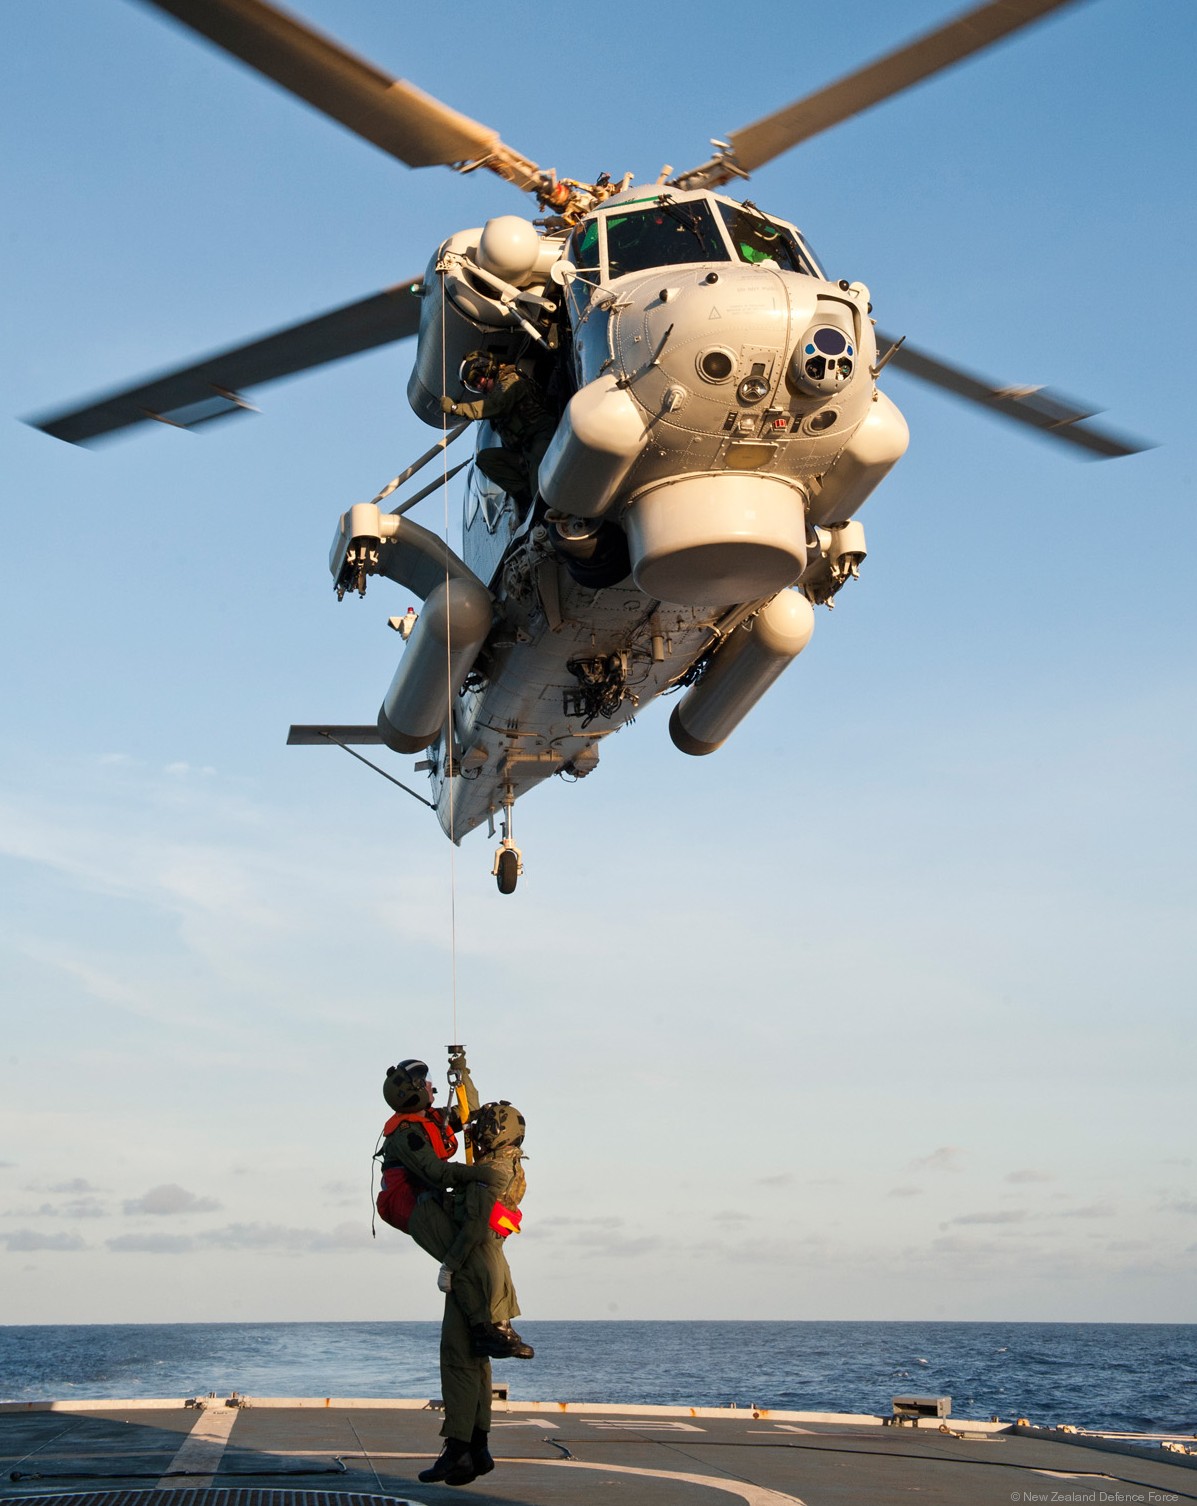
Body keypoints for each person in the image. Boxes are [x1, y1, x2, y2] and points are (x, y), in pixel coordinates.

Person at [374, 1053, 531, 1488]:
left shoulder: (445, 1133)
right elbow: (437, 1167)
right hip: (418, 1208)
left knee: (461, 1345)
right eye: (424, 1084)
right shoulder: (410, 1134)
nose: (431, 1088)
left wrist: (462, 1073)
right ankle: (470, 1443)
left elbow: (466, 1112)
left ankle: (470, 1446)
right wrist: (479, 1173)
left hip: (438, 1211)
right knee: (465, 1338)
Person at [420, 1099, 530, 1488]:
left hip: (474, 1270)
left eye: (483, 1128)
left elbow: (473, 1229)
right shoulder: (510, 1164)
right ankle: (477, 1447)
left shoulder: (488, 1175)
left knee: (458, 1358)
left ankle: (458, 1449)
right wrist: (461, 1073)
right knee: (478, 1362)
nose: (477, 1134)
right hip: (491, 1273)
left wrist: (449, 1266)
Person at [440, 353, 557, 507]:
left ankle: (542, 506)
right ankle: (524, 498)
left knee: (541, 488)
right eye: (473, 385)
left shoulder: (511, 381)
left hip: (543, 437)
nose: (478, 386)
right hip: (524, 451)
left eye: (477, 379)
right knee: (486, 458)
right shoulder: (497, 395)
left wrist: (456, 408)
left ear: (487, 369)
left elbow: (498, 406)